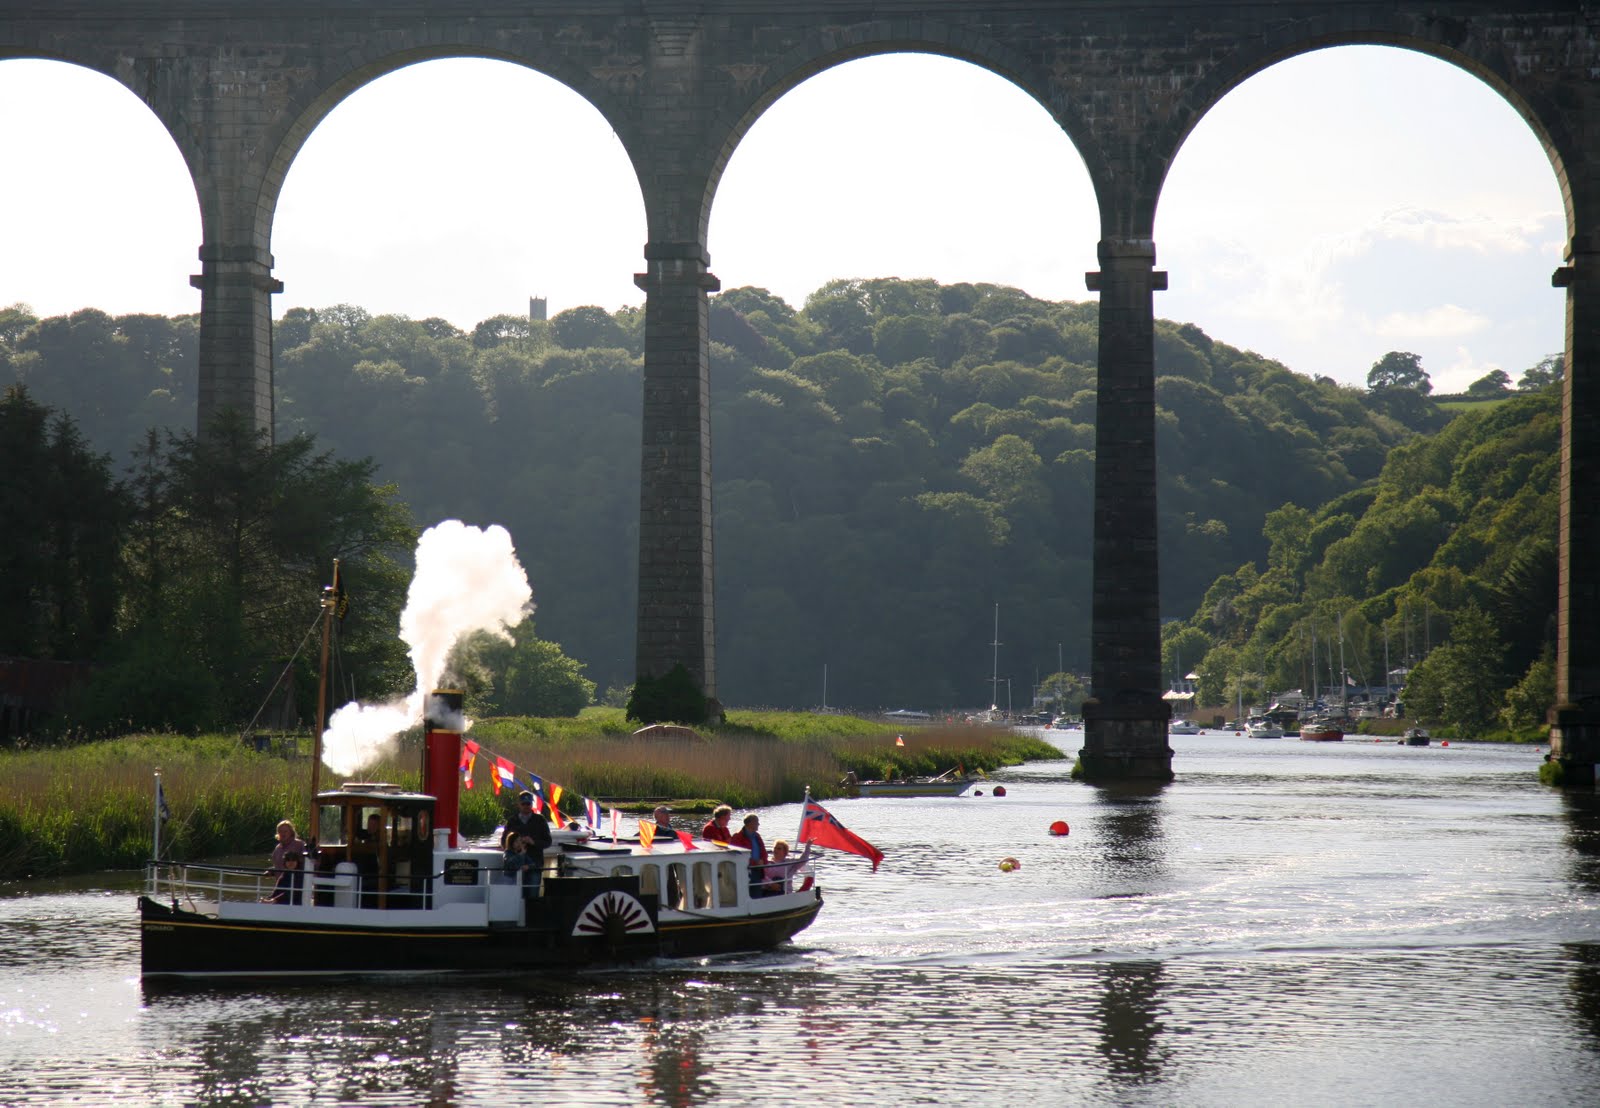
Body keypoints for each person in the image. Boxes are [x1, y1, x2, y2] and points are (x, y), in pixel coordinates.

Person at [731, 813, 770, 896]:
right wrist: (755, 862)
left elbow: (763, 851)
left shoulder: (757, 836)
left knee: (757, 893)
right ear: (749, 823)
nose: (758, 824)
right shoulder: (737, 837)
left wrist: (763, 861)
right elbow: (737, 855)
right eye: (756, 822)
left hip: (757, 870)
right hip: (745, 870)